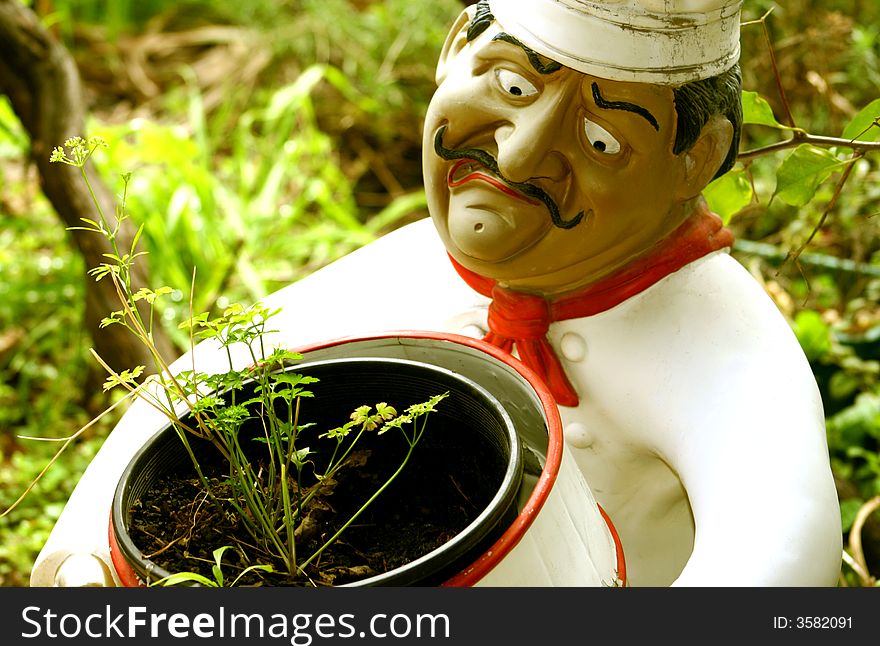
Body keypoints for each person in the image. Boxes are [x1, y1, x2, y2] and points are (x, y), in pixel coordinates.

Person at [32, 0, 842, 587]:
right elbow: (201, 387)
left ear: (698, 159)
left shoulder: (716, 339)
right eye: (512, 87)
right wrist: (84, 563)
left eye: (603, 141)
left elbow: (783, 538)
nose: (521, 158)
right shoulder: (404, 266)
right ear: (456, 45)